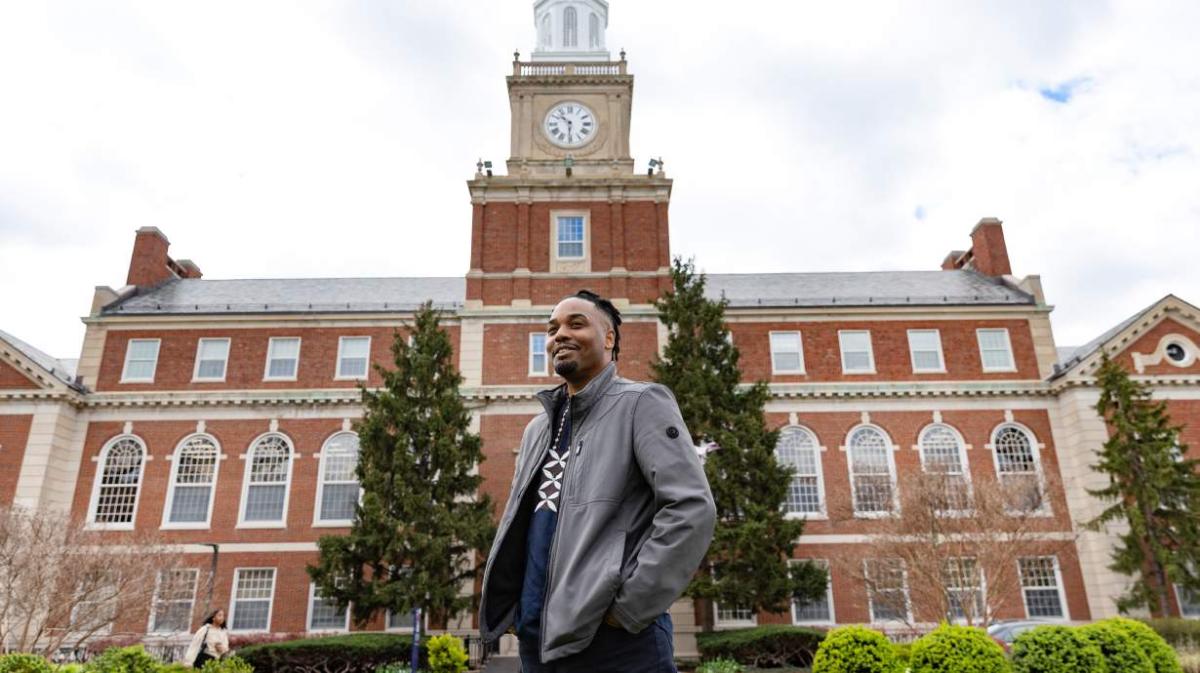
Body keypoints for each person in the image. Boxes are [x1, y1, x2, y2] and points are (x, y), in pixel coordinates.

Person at [479, 290, 717, 672]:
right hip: (537, 641)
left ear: (609, 339)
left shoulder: (642, 403)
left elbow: (691, 508)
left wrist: (628, 608)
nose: (559, 335)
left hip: (617, 642)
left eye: (576, 324)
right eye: (552, 328)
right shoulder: (537, 429)